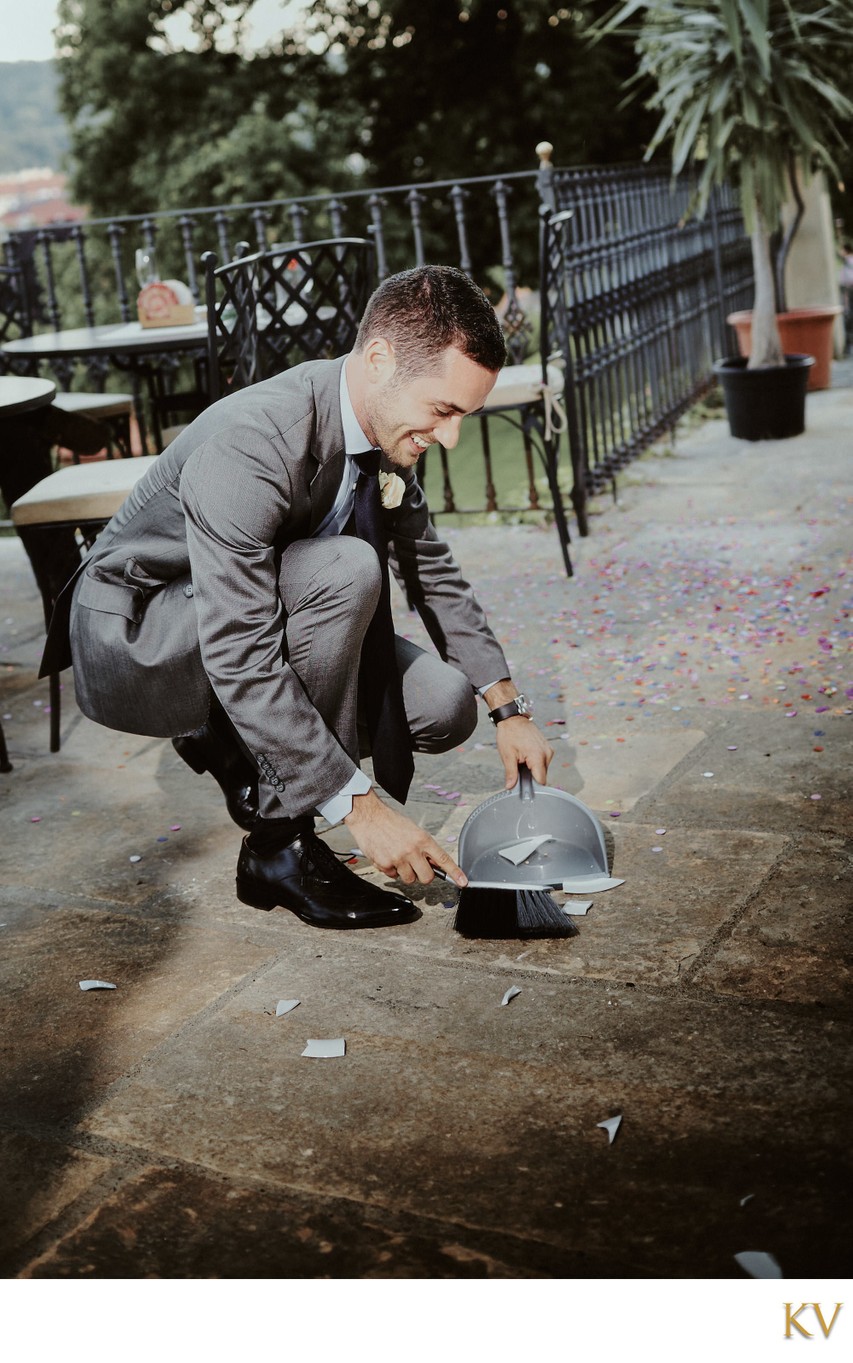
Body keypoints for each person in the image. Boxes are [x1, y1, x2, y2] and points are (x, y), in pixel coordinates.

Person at [42, 265, 553, 929]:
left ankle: (231, 733)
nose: (451, 436)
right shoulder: (255, 440)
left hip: (238, 610)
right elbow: (240, 649)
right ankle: (278, 849)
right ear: (378, 360)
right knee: (345, 568)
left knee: (441, 705)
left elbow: (432, 571)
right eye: (444, 410)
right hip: (141, 632)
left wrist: (508, 707)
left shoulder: (385, 432)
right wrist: (359, 807)